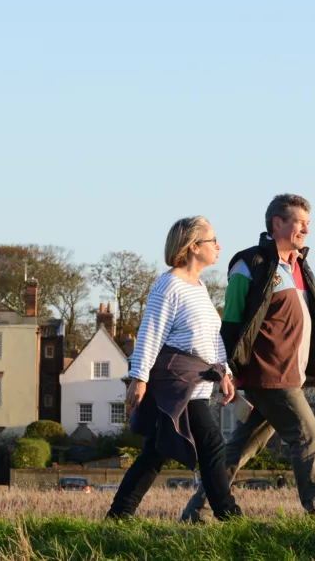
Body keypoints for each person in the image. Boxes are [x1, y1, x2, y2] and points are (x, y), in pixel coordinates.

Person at [180, 194, 315, 522]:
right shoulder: (249, 264)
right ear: (277, 223)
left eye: (308, 224)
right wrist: (225, 371)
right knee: (308, 436)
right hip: (267, 375)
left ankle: (197, 510)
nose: (306, 229)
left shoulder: (299, 266)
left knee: (241, 448)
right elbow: (234, 322)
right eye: (299, 222)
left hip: (291, 375)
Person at [106, 216, 243, 521]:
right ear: (193, 246)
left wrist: (226, 372)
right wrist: (138, 379)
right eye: (212, 240)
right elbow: (150, 333)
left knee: (155, 453)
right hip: (176, 382)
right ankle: (230, 516)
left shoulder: (198, 286)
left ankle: (117, 517)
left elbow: (211, 336)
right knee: (212, 445)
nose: (219, 246)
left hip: (196, 380)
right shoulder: (168, 285)